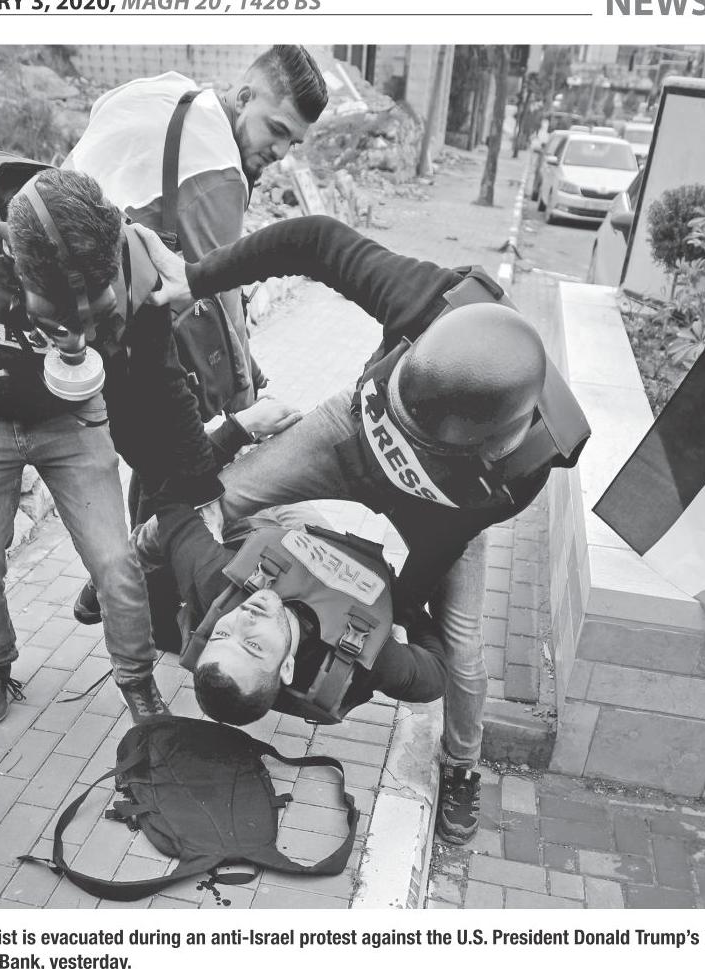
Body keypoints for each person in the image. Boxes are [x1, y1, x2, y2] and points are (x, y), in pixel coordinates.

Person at [136, 214, 590, 845]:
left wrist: (392, 613)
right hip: (347, 434)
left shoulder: (519, 476)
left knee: (463, 646)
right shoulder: (429, 298)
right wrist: (196, 277)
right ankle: (123, 576)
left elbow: (435, 554)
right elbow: (314, 241)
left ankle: (462, 764)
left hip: (439, 510)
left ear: (485, 444)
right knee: (217, 500)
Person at [0, 145, 216, 726]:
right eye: (60, 318)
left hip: (72, 418)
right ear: (12, 257)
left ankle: (136, 678)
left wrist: (201, 485)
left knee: (117, 567)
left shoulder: (120, 251)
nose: (76, 338)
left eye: (89, 318)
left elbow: (164, 379)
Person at [63, 45, 329, 639]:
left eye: (294, 142)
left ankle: (136, 597)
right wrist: (245, 401)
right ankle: (134, 599)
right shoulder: (218, 169)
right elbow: (217, 284)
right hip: (140, 341)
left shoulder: (176, 99)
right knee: (178, 472)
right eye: (277, 130)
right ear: (245, 96)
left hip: (99, 323)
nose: (282, 153)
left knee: (155, 465)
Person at [131, 499, 449, 726]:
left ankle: (121, 590)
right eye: (252, 645)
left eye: (222, 634)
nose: (244, 618)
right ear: (287, 667)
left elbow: (174, 512)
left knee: (165, 520)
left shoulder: (218, 585)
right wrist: (403, 610)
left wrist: (236, 437)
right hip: (326, 546)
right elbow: (436, 677)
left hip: (254, 527)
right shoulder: (367, 662)